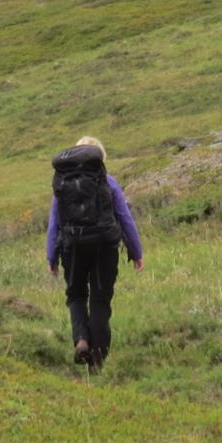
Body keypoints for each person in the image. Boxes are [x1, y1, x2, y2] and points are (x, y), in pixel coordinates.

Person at [46, 136, 143, 373]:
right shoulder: (108, 182)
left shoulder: (62, 183)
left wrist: (52, 256)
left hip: (73, 247)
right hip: (104, 247)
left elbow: (54, 223)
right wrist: (136, 251)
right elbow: (125, 218)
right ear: (100, 158)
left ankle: (81, 339)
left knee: (76, 296)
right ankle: (97, 361)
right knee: (100, 301)